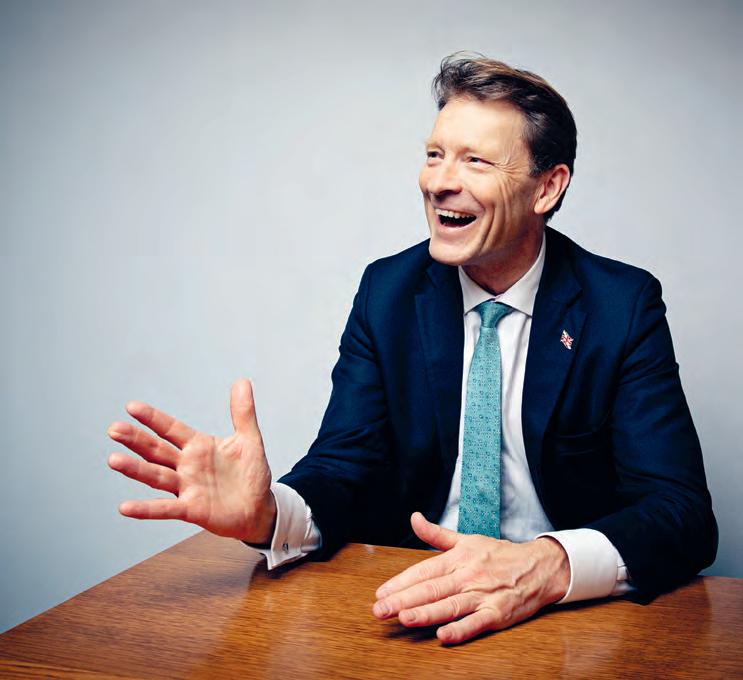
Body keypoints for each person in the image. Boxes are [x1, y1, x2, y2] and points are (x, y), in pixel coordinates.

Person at [107, 54, 717, 645]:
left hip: (568, 625)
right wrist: (269, 515)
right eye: (434, 155)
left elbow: (681, 513)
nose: (439, 182)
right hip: (410, 606)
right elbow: (343, 467)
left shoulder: (621, 305)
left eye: (475, 160)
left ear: (547, 188)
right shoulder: (387, 293)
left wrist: (546, 565)